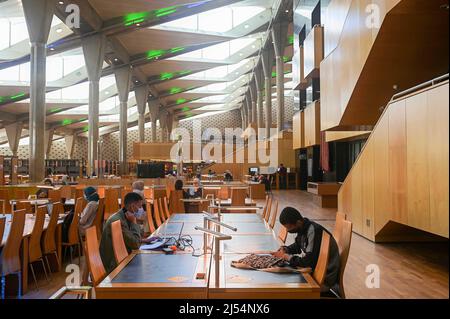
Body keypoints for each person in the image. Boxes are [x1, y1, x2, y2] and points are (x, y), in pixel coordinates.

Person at [271, 207, 340, 293]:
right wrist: (286, 249)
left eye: (289, 228)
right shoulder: (303, 227)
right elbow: (298, 245)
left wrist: (287, 257)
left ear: (298, 222)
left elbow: (308, 262)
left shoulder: (314, 231)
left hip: (324, 278)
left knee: (284, 287)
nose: (287, 230)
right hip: (316, 271)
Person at [99, 192, 150, 274]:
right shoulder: (119, 221)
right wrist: (134, 222)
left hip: (120, 257)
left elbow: (137, 236)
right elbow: (135, 244)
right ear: (132, 206)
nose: (141, 210)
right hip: (113, 264)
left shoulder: (124, 215)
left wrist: (142, 239)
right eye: (139, 207)